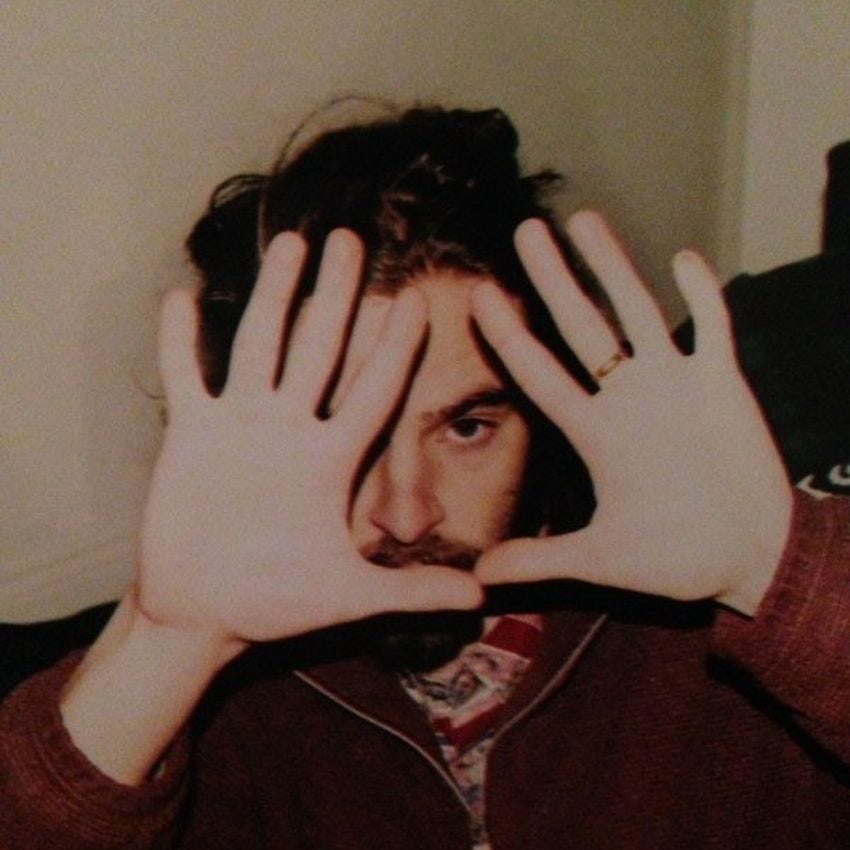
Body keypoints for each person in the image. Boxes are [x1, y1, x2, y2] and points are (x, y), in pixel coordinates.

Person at [0, 105, 848, 849]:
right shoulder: (222, 707)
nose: (407, 514)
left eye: (468, 428)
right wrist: (162, 647)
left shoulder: (710, 645)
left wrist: (783, 575)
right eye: (351, 434)